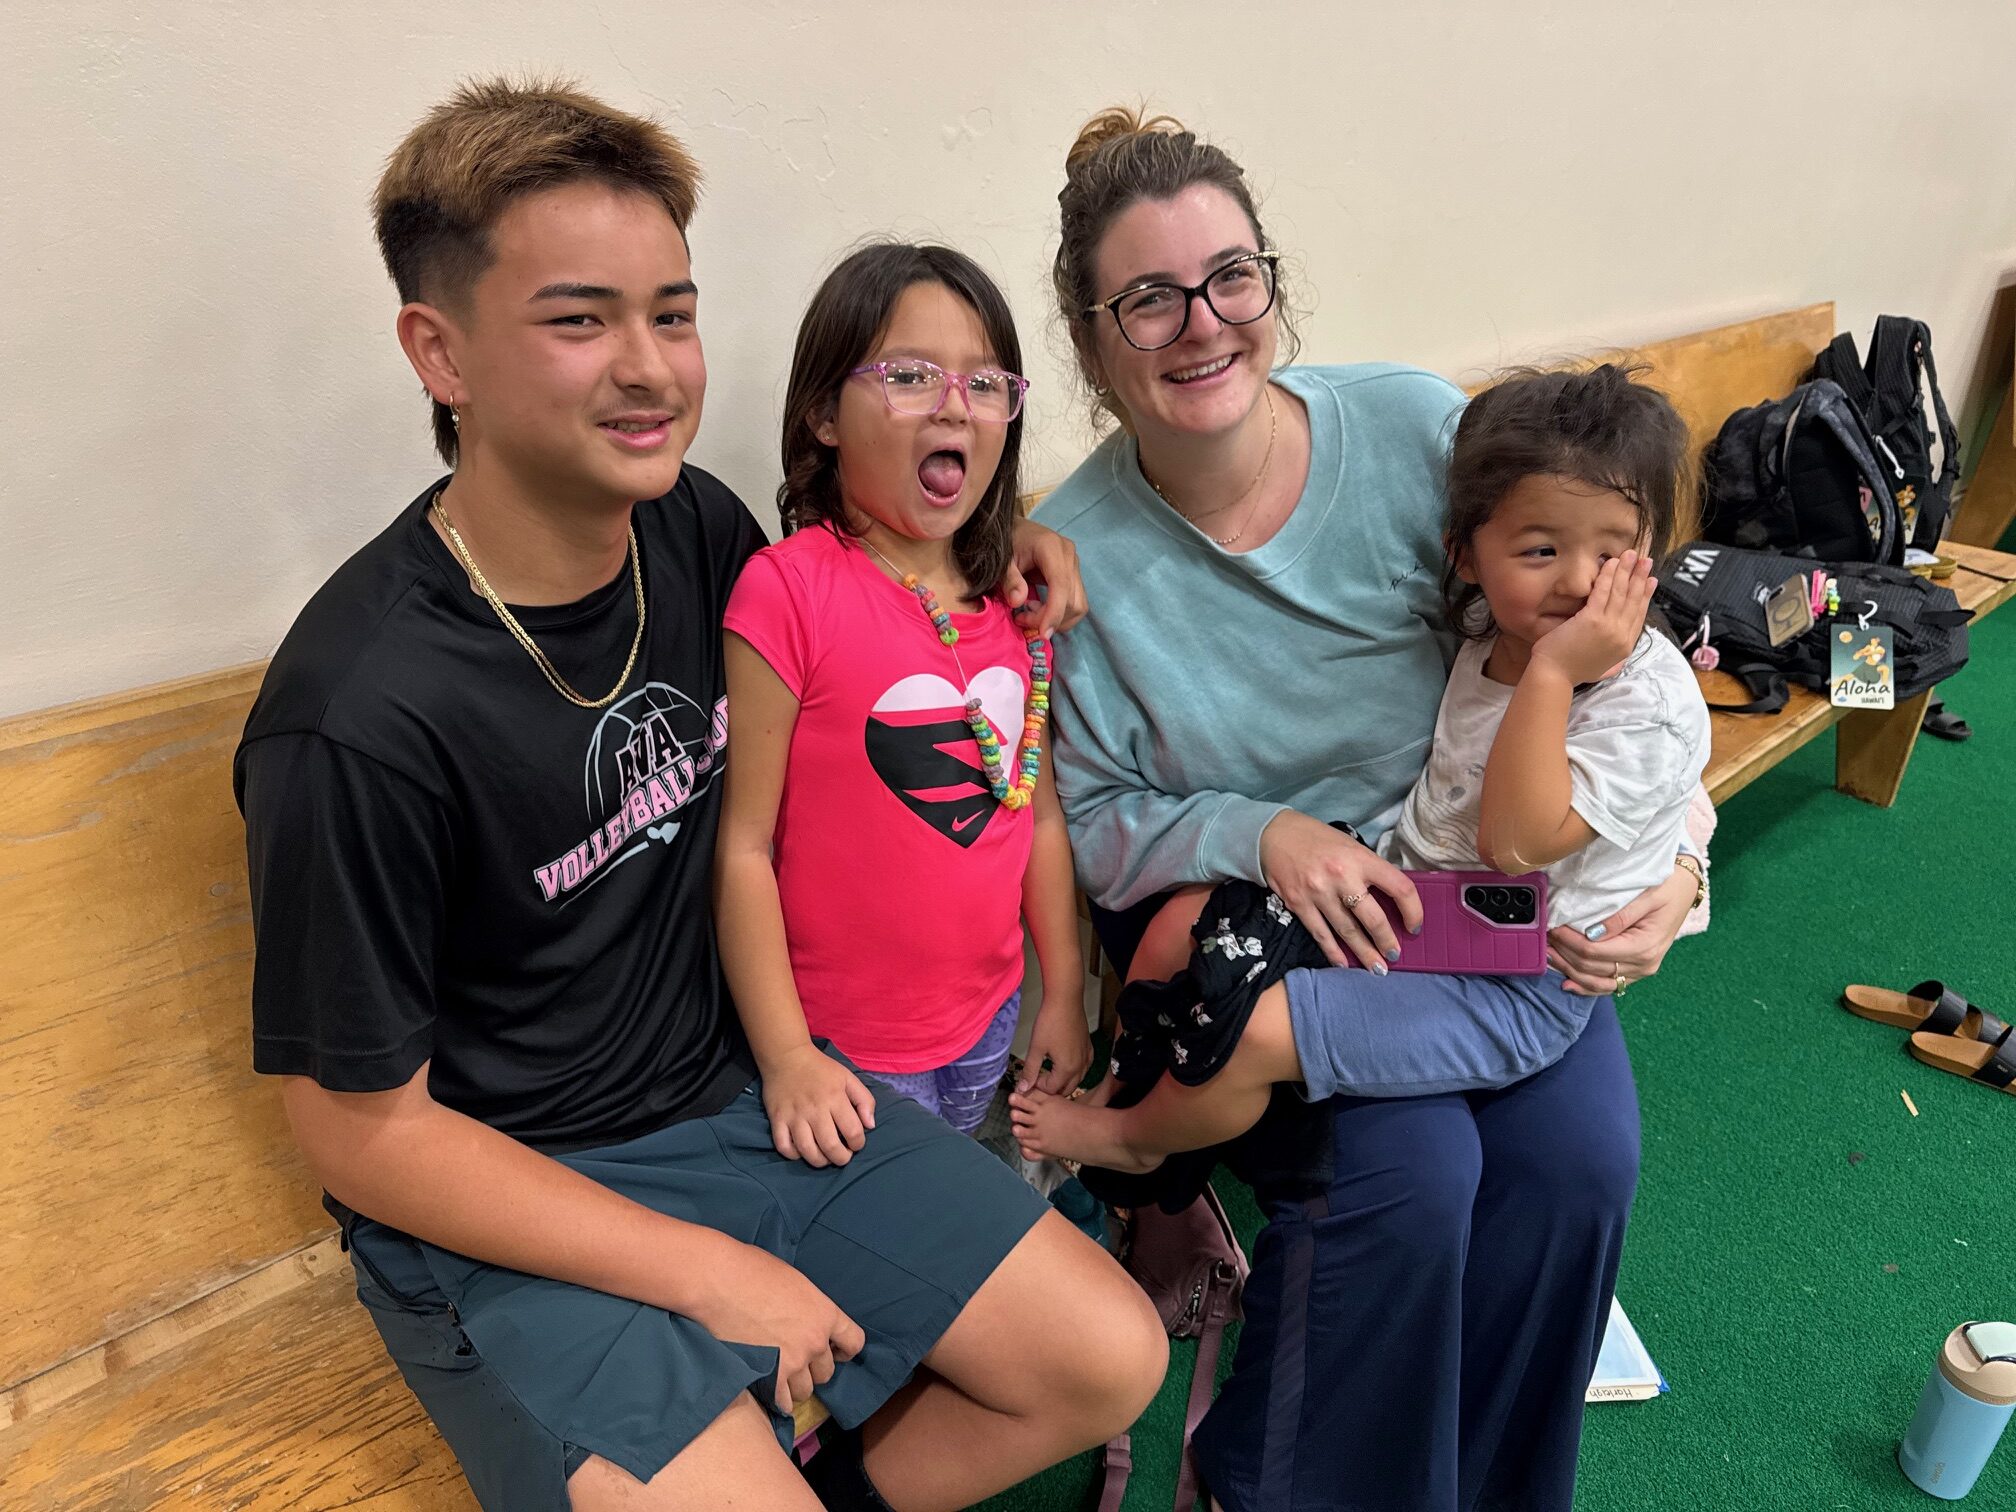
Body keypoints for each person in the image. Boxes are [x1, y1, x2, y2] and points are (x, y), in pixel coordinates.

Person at [234, 80, 1162, 1512]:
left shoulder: (690, 530)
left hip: (734, 1104)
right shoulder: (357, 715)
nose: (650, 366)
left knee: (1108, 1354)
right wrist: (714, 1272)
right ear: (440, 352)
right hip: (509, 1205)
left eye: (671, 313)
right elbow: (362, 1130)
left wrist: (1001, 535)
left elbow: (866, 580)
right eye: (578, 318)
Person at [1037, 108, 1709, 1512]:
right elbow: (1087, 815)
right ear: (1094, 342)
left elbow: (1605, 670)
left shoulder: (1412, 429)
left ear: (1271, 285)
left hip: (1481, 900)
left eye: (1232, 276)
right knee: (1412, 1184)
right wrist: (1266, 832)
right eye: (1146, 299)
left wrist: (1685, 869)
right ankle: (1269, 1478)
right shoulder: (1079, 553)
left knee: (1581, 1166)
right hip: (1272, 926)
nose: (1200, 324)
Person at [1011, 365, 1709, 1175]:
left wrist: (1687, 869)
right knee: (1180, 935)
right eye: (1543, 550)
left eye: (1613, 555)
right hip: (1426, 900)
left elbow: (1527, 837)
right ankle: (1134, 1092)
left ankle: (1133, 1147)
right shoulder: (1490, 627)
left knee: (1250, 1036)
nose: (1581, 584)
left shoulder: (1591, 668)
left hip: (1519, 976)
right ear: (1465, 556)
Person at [717, 242, 1092, 1157]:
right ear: (823, 415)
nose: (956, 403)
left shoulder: (1009, 596)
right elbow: (745, 847)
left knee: (969, 1194)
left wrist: (1069, 992)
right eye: (912, 375)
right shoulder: (787, 592)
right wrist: (787, 1058)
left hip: (988, 1022)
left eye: (986, 381)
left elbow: (1034, 816)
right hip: (844, 1056)